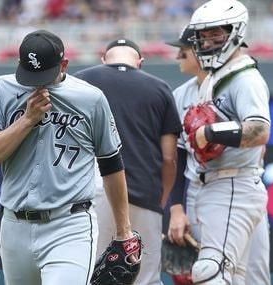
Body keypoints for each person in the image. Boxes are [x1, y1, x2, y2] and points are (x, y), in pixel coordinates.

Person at [0, 29, 137, 285]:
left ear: (64, 65)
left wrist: (123, 231)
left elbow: (111, 163)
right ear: (19, 64)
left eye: (44, 75)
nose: (37, 82)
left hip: (69, 224)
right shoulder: (1, 89)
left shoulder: (90, 98)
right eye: (30, 75)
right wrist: (27, 120)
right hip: (14, 224)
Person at [169, 0, 272, 283]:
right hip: (218, 184)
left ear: (235, 32)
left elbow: (260, 130)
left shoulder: (244, 77)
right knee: (241, 278)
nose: (208, 41)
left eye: (216, 33)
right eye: (204, 35)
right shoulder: (210, 79)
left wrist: (210, 134)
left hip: (231, 184)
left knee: (210, 271)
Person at [73, 38, 182, 285]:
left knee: (91, 276)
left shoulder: (80, 81)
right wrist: (160, 201)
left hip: (92, 194)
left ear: (104, 58)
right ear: (140, 62)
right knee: (145, 280)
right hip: (144, 195)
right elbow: (169, 157)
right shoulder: (160, 88)